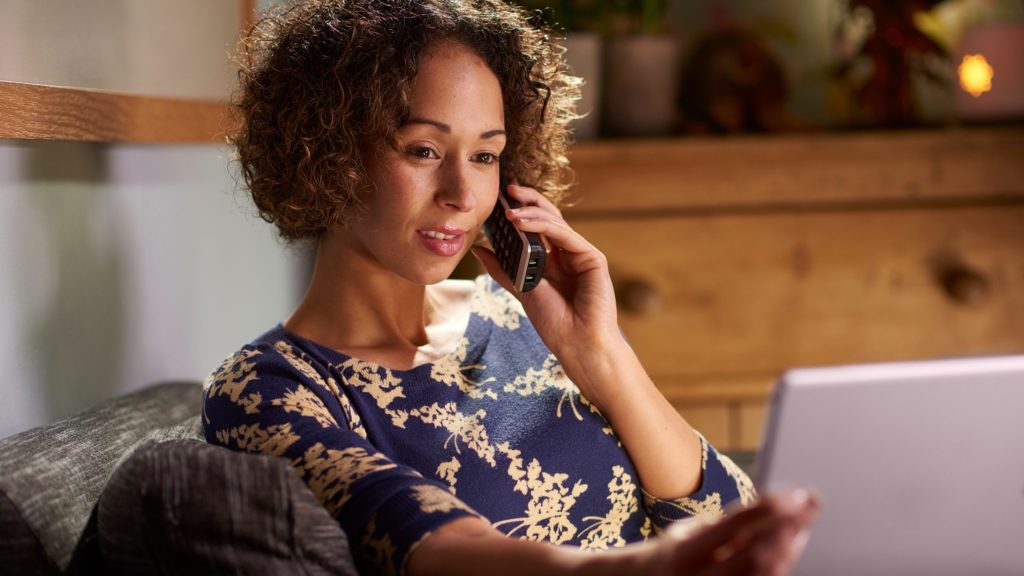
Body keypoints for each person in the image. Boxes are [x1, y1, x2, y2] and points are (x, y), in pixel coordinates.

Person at [202, 1, 819, 575]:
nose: (463, 196)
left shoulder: (514, 315)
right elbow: (426, 540)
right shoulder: (267, 391)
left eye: (485, 156)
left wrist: (598, 353)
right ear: (327, 151)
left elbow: (727, 514)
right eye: (423, 150)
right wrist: (639, 569)